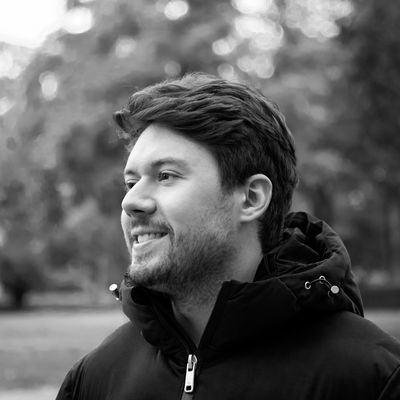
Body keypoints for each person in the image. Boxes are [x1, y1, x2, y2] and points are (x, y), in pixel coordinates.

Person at [56, 73, 400, 400]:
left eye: (165, 175)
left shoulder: (372, 379)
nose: (131, 201)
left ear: (251, 198)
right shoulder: (95, 379)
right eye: (131, 183)